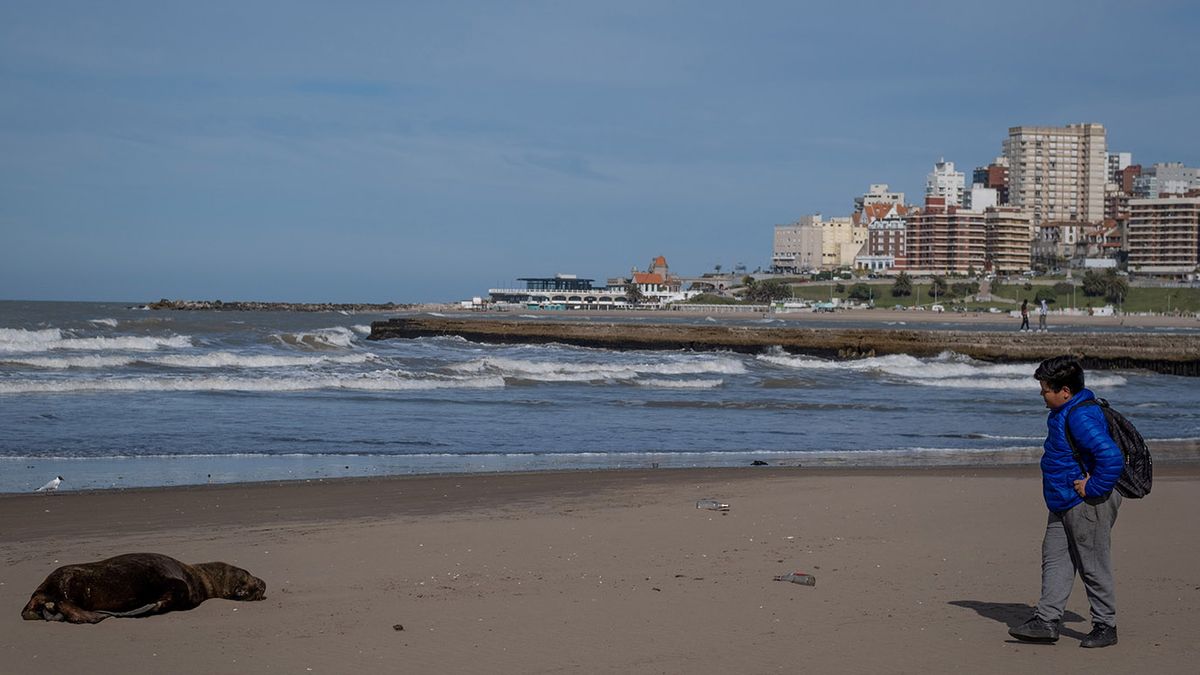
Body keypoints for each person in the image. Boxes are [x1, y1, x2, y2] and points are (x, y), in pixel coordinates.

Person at [1009, 356, 1125, 648]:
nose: (1041, 394)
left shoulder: (1080, 416)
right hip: (1064, 500)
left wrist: (1093, 486)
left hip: (1088, 502)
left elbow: (1111, 458)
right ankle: (1046, 621)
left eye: (1045, 389)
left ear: (1065, 391)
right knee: (1055, 557)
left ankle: (1105, 625)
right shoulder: (1066, 411)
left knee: (1093, 564)